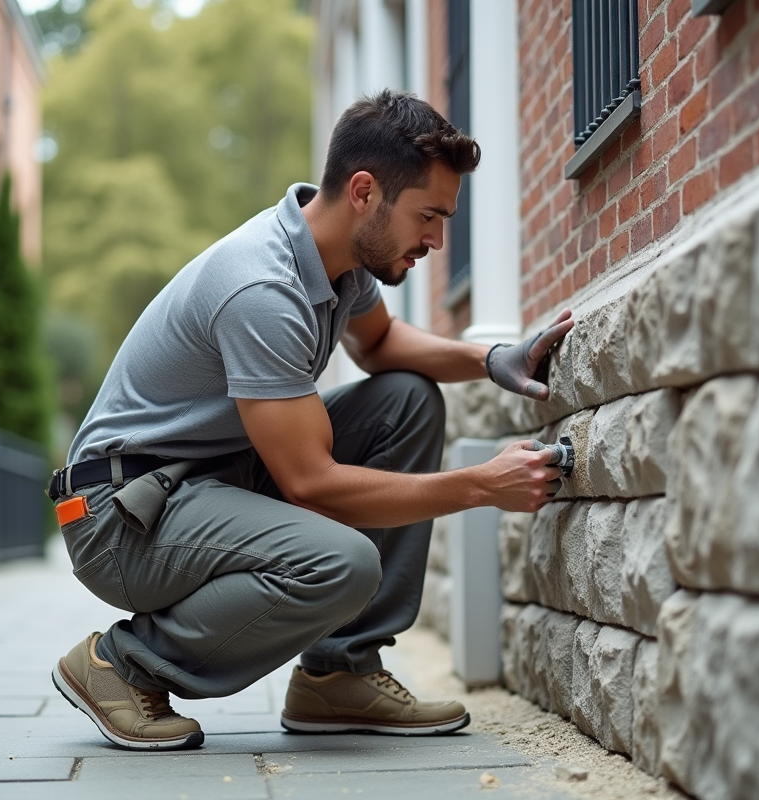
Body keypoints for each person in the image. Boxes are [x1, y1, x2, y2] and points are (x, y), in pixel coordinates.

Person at [47, 89, 574, 751]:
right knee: (340, 564)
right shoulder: (261, 287)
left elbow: (380, 347)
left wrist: (493, 357)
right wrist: (480, 486)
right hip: (121, 517)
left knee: (406, 399)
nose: (437, 240)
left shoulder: (340, 260)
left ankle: (338, 673)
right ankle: (122, 665)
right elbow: (311, 484)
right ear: (363, 191)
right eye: (429, 216)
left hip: (204, 481)